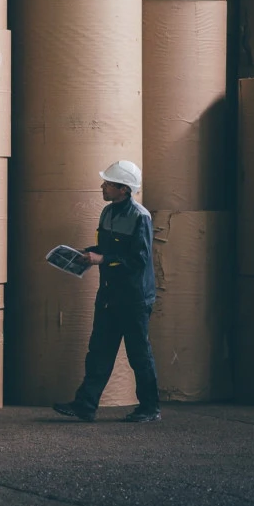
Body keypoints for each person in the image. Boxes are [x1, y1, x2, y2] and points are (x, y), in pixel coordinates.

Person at [53, 160, 162, 424]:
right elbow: (108, 248)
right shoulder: (107, 212)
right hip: (109, 295)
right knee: (99, 351)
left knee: (139, 354)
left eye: (108, 183)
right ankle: (85, 405)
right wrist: (86, 253)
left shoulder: (140, 216)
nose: (103, 186)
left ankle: (149, 408)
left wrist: (102, 259)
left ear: (124, 189)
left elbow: (139, 259)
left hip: (134, 298)